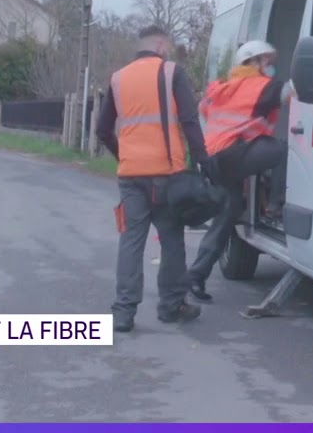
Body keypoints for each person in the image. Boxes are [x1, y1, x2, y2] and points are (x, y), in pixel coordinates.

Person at [96, 26, 211, 333]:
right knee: (171, 238)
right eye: (168, 46)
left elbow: (102, 129)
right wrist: (203, 162)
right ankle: (171, 306)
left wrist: (124, 156)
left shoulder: (118, 78)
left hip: (131, 175)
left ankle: (123, 312)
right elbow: (189, 119)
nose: (169, 51)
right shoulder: (171, 72)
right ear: (161, 44)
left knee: (131, 240)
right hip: (166, 174)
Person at [187, 41, 291, 303]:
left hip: (212, 160)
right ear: (253, 63)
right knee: (282, 150)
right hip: (233, 154)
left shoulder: (222, 87)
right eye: (266, 61)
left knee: (226, 217)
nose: (270, 67)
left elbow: (203, 110)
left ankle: (195, 277)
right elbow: (290, 93)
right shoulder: (262, 86)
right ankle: (278, 206)